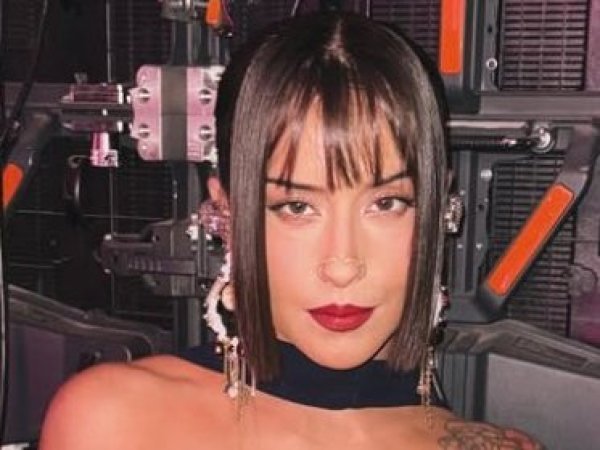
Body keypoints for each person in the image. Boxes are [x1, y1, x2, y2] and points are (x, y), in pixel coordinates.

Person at [39, 12, 544, 449]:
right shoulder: (116, 422)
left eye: (386, 203)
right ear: (227, 213)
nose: (342, 265)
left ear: (439, 210)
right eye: (297, 206)